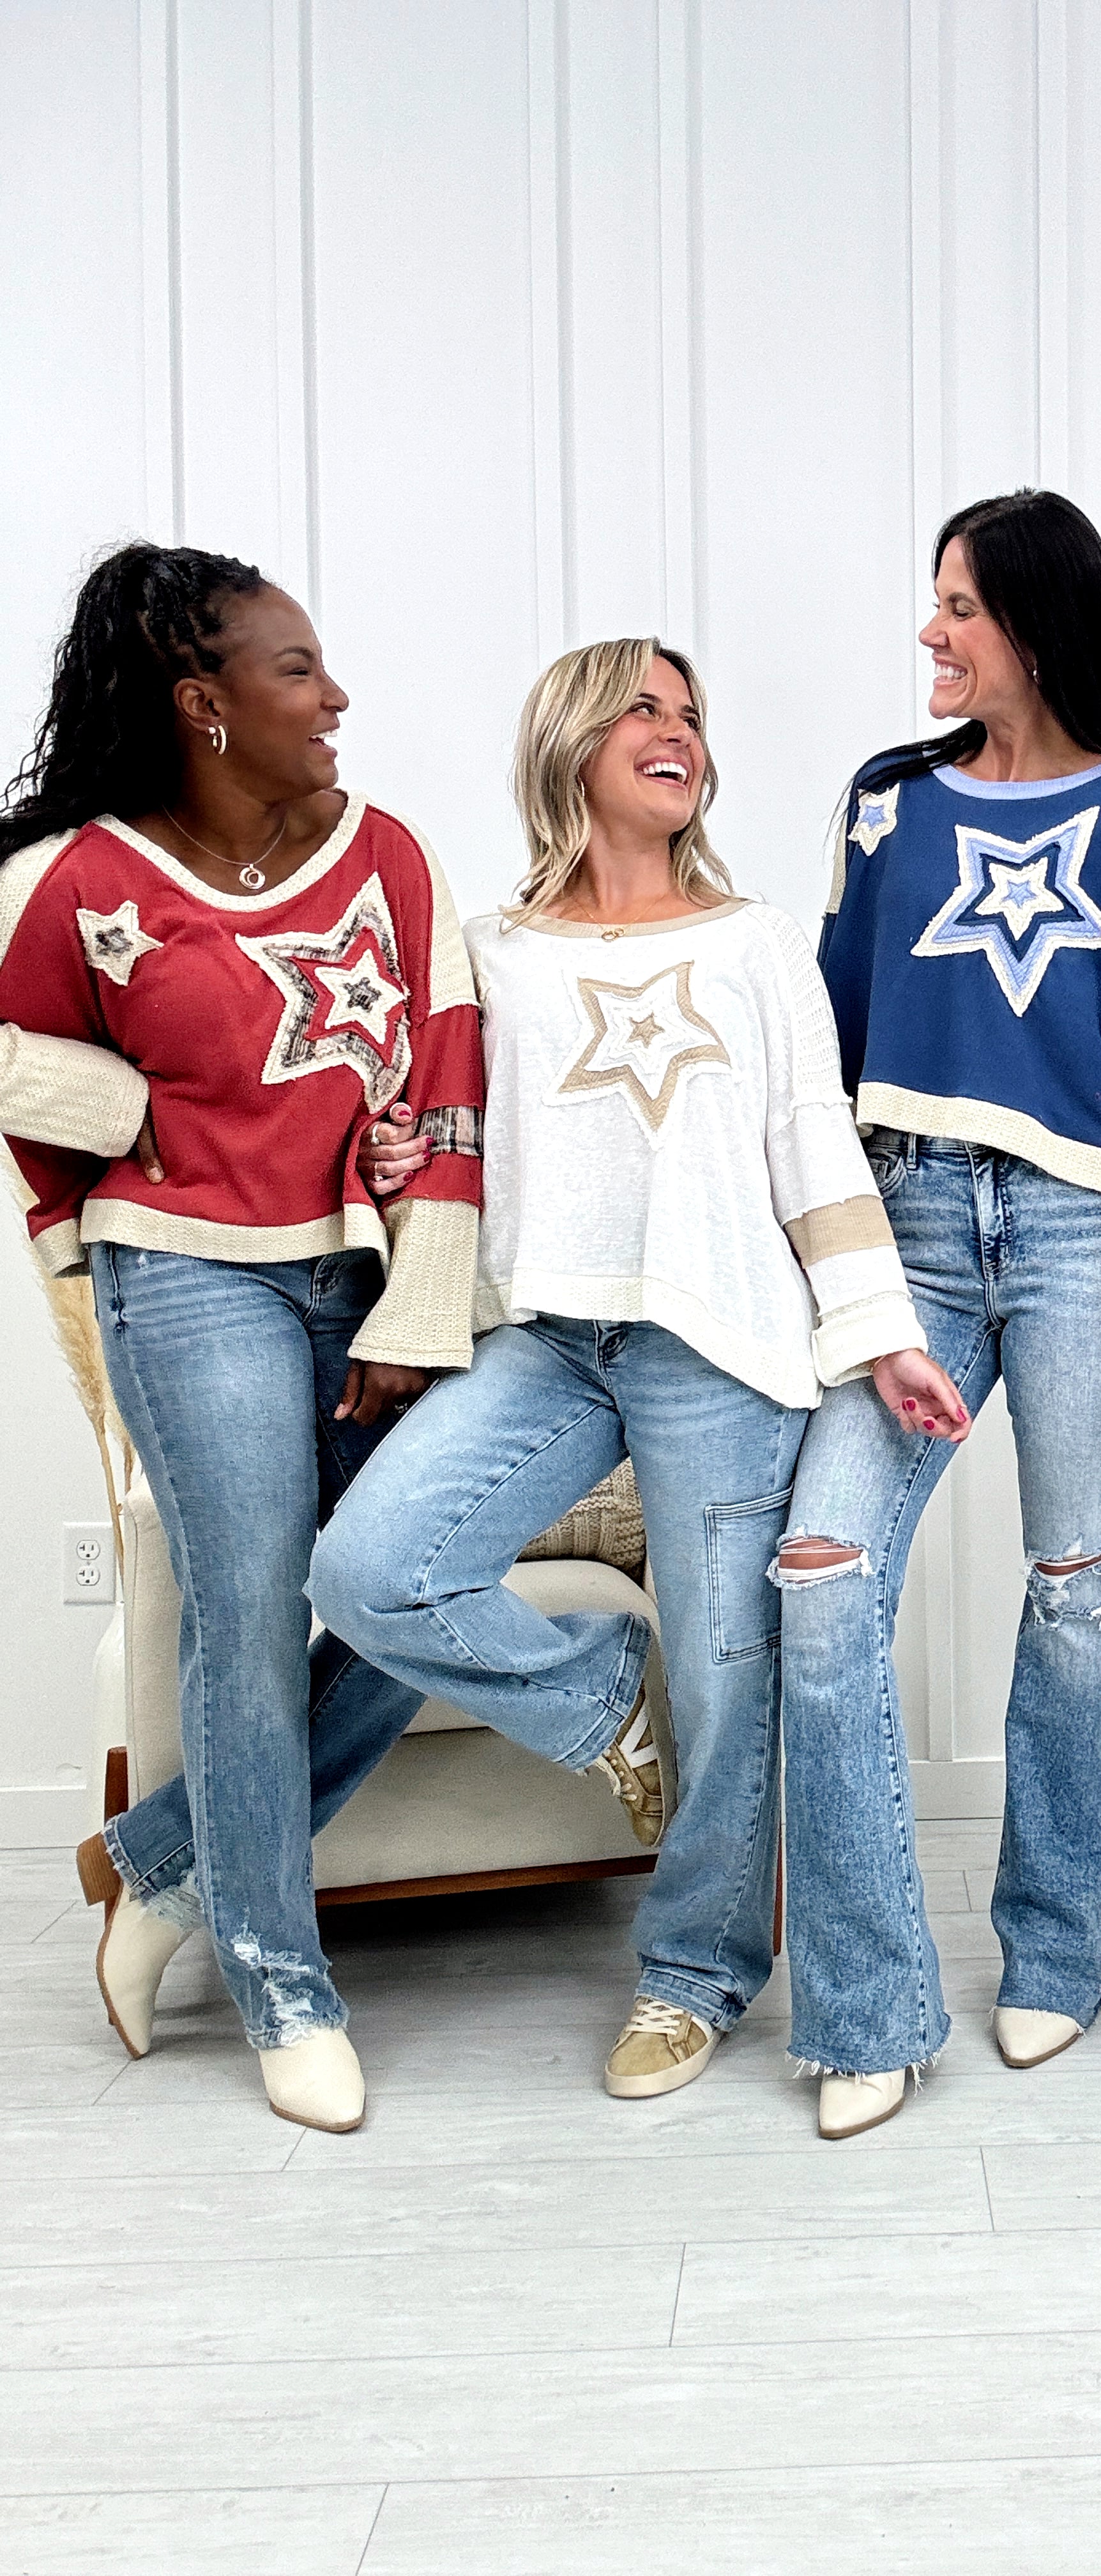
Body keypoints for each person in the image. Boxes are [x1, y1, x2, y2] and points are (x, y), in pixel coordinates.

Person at [310, 638, 961, 2100]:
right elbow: (445, 1138)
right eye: (642, 710)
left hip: (720, 1341)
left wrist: (880, 1330)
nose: (678, 733)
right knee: (372, 1567)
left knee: (730, 1686)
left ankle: (693, 1978)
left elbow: (812, 1146)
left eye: (691, 714)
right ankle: (605, 1702)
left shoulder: (755, 941)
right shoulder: (490, 950)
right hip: (543, 1336)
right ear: (573, 741)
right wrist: (399, 1156)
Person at [0, 541, 483, 2133]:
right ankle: (284, 1981)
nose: (335, 696)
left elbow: (451, 1087)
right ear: (201, 703)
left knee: (413, 1582)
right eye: (296, 670)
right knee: (250, 1616)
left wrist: (423, 1300)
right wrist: (118, 1101)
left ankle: (161, 1864)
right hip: (184, 1273)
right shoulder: (76, 880)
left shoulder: (389, 855)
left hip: (363, 1277)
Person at [773, 487, 1101, 2142]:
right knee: (824, 1575)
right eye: (936, 600)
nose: (932, 632)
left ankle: (1058, 1950)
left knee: (1076, 1594)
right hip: (905, 1223)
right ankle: (870, 2002)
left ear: (1035, 619)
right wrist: (821, 1261)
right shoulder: (887, 802)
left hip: (1083, 1231)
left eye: (960, 604)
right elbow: (824, 1039)